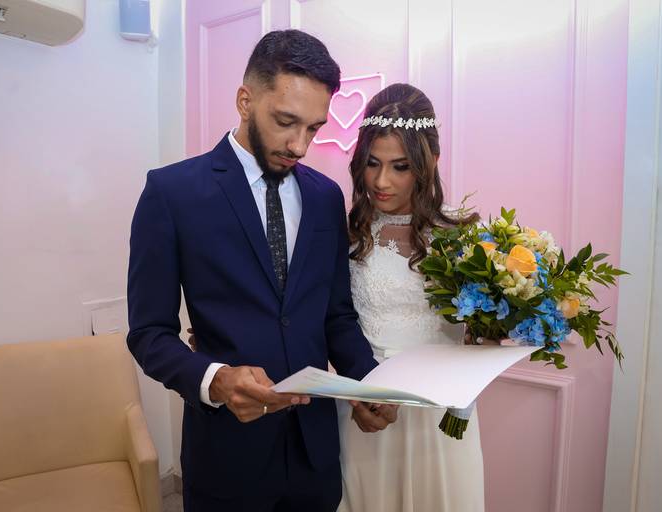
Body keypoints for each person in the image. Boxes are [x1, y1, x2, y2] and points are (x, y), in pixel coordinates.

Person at [126, 29, 396, 512]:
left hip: (314, 456)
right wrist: (215, 379)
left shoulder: (325, 197)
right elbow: (149, 333)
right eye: (286, 122)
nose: (300, 145)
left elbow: (335, 316)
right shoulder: (171, 193)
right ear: (245, 101)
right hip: (226, 455)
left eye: (313, 128)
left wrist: (368, 386)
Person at [338, 83, 486, 511]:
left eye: (400, 166)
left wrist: (490, 333)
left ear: (430, 161)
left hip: (439, 417)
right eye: (372, 163)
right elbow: (329, 320)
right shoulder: (345, 235)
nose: (380, 181)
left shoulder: (466, 239)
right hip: (368, 408)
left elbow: (479, 330)